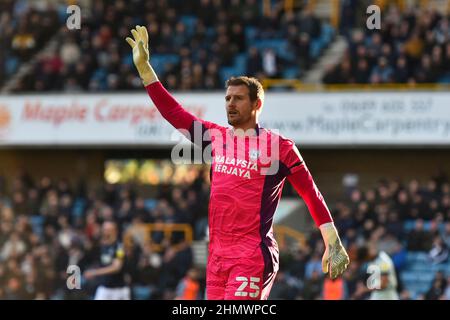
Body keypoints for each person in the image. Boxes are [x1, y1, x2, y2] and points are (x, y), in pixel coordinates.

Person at [126, 25, 350, 300]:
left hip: (252, 255)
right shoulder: (216, 137)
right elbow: (174, 113)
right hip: (217, 256)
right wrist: (146, 70)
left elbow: (309, 191)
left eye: (239, 98)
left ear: (257, 104)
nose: (230, 104)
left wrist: (332, 238)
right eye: (228, 98)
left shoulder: (279, 146)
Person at [83, 221, 130, 300]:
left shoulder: (119, 247)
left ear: (115, 231)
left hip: (118, 290)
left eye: (108, 230)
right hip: (104, 288)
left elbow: (116, 267)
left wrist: (94, 272)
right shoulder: (103, 246)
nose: (105, 232)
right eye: (104, 229)